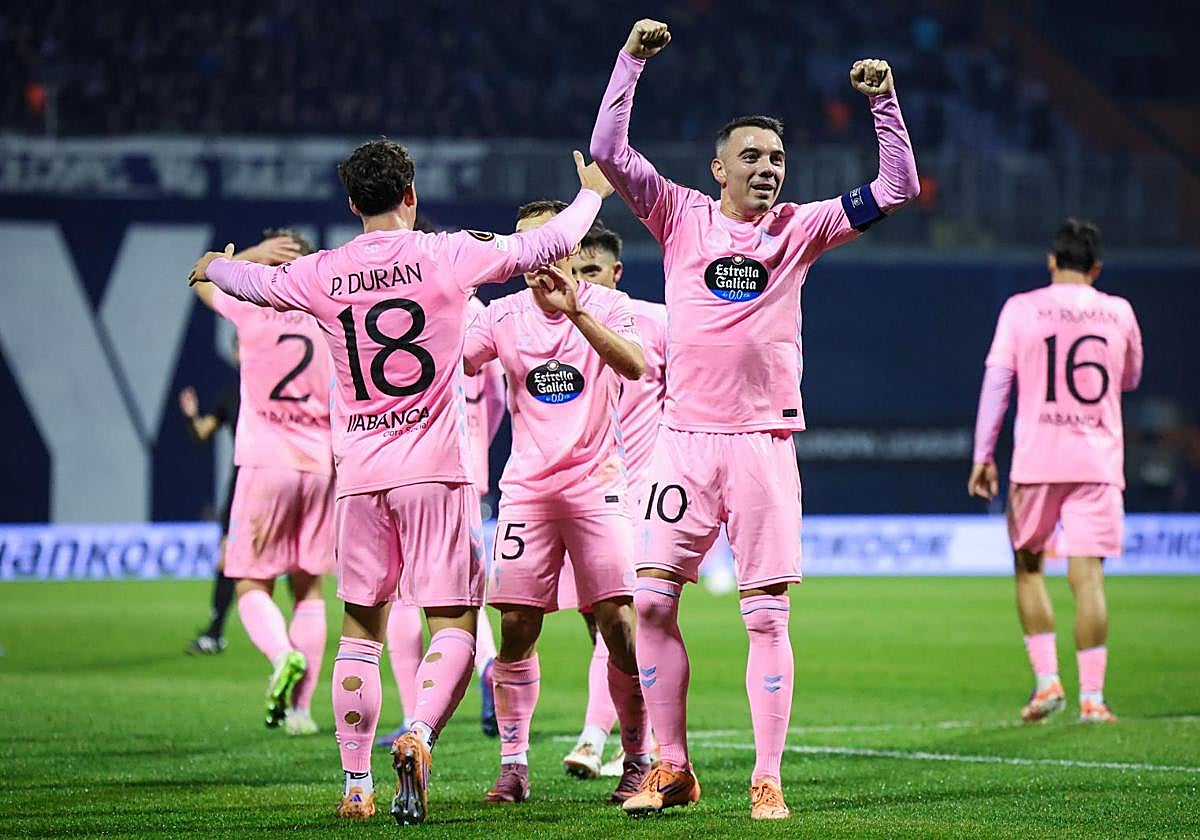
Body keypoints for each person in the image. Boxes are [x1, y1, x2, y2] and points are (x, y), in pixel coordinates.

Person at [188, 139, 608, 824]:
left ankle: (355, 784)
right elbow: (544, 246)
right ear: (410, 194)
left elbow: (232, 282)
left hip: (357, 476)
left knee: (360, 628)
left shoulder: (319, 273)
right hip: (436, 471)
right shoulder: (446, 254)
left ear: (353, 204)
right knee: (455, 623)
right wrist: (592, 193)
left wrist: (215, 261)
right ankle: (419, 732)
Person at [590, 19, 919, 819]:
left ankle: (766, 774)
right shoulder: (678, 215)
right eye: (752, 157)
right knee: (654, 603)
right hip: (684, 440)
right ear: (718, 168)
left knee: (765, 613)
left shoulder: (800, 226)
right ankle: (673, 766)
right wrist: (632, 60)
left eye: (776, 159)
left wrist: (885, 104)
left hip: (764, 444)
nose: (767, 169)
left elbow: (899, 188)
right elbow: (608, 150)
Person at [464, 198, 654, 807]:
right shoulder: (502, 315)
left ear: (571, 249)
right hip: (528, 491)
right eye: (521, 245)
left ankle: (636, 757)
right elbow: (461, 358)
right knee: (516, 626)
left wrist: (576, 312)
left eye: (543, 243)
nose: (530, 256)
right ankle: (514, 764)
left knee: (618, 625)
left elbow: (634, 365)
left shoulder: (607, 304)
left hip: (597, 487)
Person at [969, 218, 1143, 725]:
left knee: (1028, 565)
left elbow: (997, 383)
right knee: (1088, 580)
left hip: (1037, 459)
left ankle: (1048, 684)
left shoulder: (1021, 308)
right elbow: (1129, 377)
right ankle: (1093, 698)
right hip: (1097, 460)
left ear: (1051, 261)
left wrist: (983, 454)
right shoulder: (1118, 311)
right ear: (1096, 268)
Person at [191, 230, 334, 737]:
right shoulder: (328, 313)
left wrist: (247, 259)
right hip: (321, 465)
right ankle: (300, 711)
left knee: (250, 580)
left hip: (264, 462)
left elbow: (199, 274)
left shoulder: (249, 310)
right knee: (310, 589)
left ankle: (281, 657)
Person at [558, 222, 666, 780]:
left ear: (616, 273)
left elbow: (690, 396)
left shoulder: (656, 323)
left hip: (644, 495)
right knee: (602, 627)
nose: (580, 285)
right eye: (573, 274)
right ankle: (637, 737)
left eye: (591, 273)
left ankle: (595, 738)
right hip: (585, 494)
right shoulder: (557, 328)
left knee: (621, 618)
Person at [376, 293, 506, 747]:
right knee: (460, 584)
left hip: (413, 459)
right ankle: (488, 663)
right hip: (466, 464)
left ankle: (415, 713)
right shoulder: (482, 314)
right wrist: (479, 451)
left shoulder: (414, 304)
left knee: (405, 590)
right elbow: (496, 398)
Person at [179, 374, 240, 656]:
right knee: (227, 558)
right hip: (243, 483)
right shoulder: (234, 391)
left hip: (275, 477)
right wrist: (191, 417)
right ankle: (215, 632)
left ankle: (298, 641)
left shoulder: (273, 382)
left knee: (295, 565)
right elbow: (203, 433)